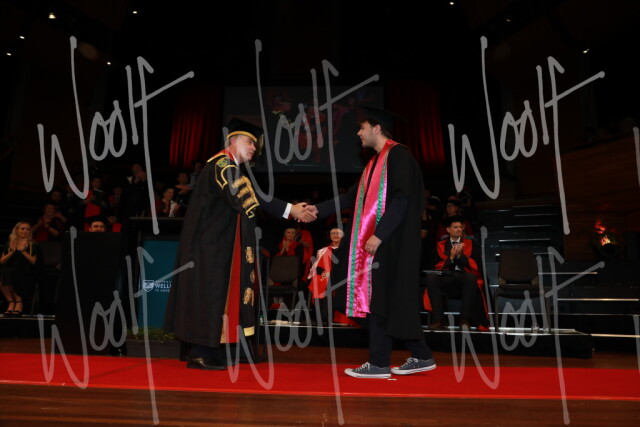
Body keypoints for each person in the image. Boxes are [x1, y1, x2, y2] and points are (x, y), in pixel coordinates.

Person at [164, 118, 316, 371]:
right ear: (232, 141)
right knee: (209, 294)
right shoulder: (222, 164)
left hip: (216, 245)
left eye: (255, 144)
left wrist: (290, 209)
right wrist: (291, 210)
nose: (254, 148)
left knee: (219, 295)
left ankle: (211, 350)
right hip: (208, 246)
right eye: (249, 142)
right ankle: (199, 353)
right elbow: (248, 196)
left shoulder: (228, 166)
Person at [310, 107, 436, 378]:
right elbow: (349, 198)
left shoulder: (398, 156)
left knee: (380, 299)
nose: (358, 133)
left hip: (392, 241)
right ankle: (419, 355)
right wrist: (315, 209)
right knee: (381, 300)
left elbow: (402, 198)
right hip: (381, 242)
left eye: (362, 127)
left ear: (377, 128)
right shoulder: (374, 164)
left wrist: (380, 234)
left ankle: (381, 362)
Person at [424, 215, 489, 330]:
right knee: (431, 277)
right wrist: (451, 258)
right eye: (455, 227)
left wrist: (460, 256)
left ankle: (464, 320)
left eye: (460, 227)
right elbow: (434, 267)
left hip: (463, 279)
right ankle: (439, 320)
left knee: (471, 277)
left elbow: (477, 266)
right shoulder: (440, 245)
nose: (459, 229)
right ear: (448, 230)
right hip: (446, 279)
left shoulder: (470, 244)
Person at [1, 222, 41, 317]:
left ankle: (19, 301)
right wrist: (12, 252)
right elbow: (2, 261)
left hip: (27, 271)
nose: (25, 231)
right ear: (16, 230)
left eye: (27, 229)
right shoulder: (9, 243)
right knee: (5, 272)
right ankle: (11, 301)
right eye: (22, 229)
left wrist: (23, 251)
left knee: (12, 272)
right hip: (10, 270)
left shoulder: (33, 244)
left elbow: (34, 262)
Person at [307, 228, 343, 325]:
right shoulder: (323, 250)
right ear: (330, 236)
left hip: (341, 276)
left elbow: (345, 267)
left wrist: (331, 274)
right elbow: (316, 267)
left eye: (338, 233)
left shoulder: (346, 250)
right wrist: (323, 272)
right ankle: (319, 316)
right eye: (333, 233)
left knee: (329, 282)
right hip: (325, 276)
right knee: (317, 280)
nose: (335, 235)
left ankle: (327, 316)